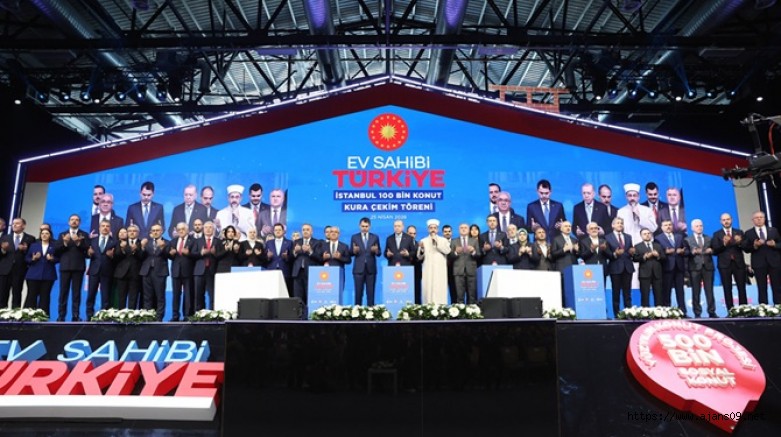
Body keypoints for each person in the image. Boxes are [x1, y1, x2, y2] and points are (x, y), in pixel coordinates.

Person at [55, 214, 90, 321]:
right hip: (65, 267)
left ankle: (75, 315)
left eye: (77, 220)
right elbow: (57, 251)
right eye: (72, 220)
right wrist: (65, 243)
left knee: (76, 293)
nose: (74, 221)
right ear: (68, 222)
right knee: (63, 292)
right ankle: (61, 316)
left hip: (78, 267)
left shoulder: (84, 234)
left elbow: (88, 251)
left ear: (80, 222)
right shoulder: (62, 234)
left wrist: (79, 243)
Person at [742, 210, 781, 304]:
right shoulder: (749, 233)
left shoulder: (773, 230)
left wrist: (774, 245)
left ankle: (778, 307)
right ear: (752, 220)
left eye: (761, 217)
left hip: (774, 262)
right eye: (756, 218)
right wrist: (755, 246)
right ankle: (764, 308)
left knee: (777, 286)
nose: (759, 219)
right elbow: (745, 248)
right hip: (759, 263)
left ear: (764, 219)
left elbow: (780, 244)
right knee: (761, 287)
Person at [711, 213, 747, 309]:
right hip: (724, 265)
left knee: (741, 287)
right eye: (724, 220)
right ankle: (730, 310)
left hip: (738, 263)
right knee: (727, 288)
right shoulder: (716, 234)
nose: (726, 221)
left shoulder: (739, 232)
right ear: (720, 221)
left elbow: (746, 247)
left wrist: (740, 242)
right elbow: (715, 250)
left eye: (728, 219)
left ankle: (744, 309)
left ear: (731, 220)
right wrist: (724, 244)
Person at [0, 217, 35, 308]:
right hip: (5, 271)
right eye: (13, 223)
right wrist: (3, 250)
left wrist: (25, 250)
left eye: (17, 223)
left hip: (19, 271)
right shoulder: (5, 237)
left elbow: (31, 255)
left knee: (17, 295)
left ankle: (15, 314)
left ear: (23, 226)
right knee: (2, 295)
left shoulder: (30, 239)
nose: (14, 225)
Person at [86, 219, 117, 320]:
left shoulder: (114, 241)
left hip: (107, 272)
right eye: (103, 226)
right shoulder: (92, 240)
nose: (105, 228)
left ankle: (104, 317)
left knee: (106, 296)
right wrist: (89, 253)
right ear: (99, 228)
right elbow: (87, 254)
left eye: (107, 226)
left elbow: (117, 257)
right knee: (91, 295)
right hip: (94, 271)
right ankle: (89, 316)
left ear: (110, 228)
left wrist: (112, 256)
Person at [24, 228, 58, 317]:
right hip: (33, 274)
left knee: (45, 297)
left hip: (48, 275)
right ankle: (28, 316)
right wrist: (33, 258)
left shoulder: (54, 246)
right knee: (31, 295)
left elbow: (59, 258)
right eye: (42, 233)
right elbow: (27, 258)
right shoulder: (34, 245)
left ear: (50, 235)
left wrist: (52, 259)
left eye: (47, 233)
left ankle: (43, 316)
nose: (44, 235)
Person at [685, 219, 716, 317]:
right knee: (696, 291)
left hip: (708, 267)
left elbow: (715, 250)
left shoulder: (709, 238)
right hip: (694, 268)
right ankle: (697, 313)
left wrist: (712, 250)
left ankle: (712, 312)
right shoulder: (687, 240)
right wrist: (692, 252)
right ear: (692, 228)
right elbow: (685, 253)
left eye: (701, 226)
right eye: (697, 226)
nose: (699, 228)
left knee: (709, 291)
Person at [417, 219, 452, 304]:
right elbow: (419, 257)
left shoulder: (443, 240)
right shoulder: (423, 240)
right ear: (428, 229)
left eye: (434, 228)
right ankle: (428, 307)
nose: (433, 230)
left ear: (437, 229)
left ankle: (441, 307)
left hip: (440, 270)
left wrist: (436, 243)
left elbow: (447, 251)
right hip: (428, 269)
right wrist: (422, 249)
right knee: (428, 288)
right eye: (431, 228)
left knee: (439, 288)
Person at [656, 219, 687, 314]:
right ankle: (667, 312)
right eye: (666, 225)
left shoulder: (679, 237)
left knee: (680, 291)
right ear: (662, 227)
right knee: (666, 291)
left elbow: (686, 250)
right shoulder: (658, 238)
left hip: (679, 267)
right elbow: (658, 253)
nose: (668, 227)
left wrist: (682, 251)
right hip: (667, 268)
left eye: (670, 225)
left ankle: (683, 312)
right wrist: (665, 252)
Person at [604, 217, 634, 316]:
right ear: (613, 225)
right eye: (617, 223)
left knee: (627, 293)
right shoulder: (607, 237)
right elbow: (606, 253)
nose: (620, 225)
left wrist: (632, 253)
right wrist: (615, 254)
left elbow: (630, 250)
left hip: (628, 267)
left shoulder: (628, 237)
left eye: (621, 223)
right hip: (615, 268)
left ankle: (629, 313)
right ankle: (617, 314)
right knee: (616, 292)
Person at [140, 223, 170, 321]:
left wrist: (162, 248)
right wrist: (142, 247)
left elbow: (169, 256)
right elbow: (140, 257)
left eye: (157, 230)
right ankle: (148, 316)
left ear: (161, 231)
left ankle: (159, 318)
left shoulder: (167, 242)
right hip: (147, 272)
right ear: (151, 232)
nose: (155, 232)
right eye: (153, 230)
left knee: (160, 296)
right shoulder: (146, 242)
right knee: (147, 296)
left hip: (160, 272)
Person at [168, 222, 196, 321]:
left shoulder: (193, 241)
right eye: (179, 229)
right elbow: (170, 256)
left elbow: (196, 255)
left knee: (188, 295)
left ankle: (187, 316)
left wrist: (189, 253)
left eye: (183, 229)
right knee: (176, 295)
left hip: (188, 271)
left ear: (187, 230)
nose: (181, 231)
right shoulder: (173, 241)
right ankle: (175, 316)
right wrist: (170, 254)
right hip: (176, 271)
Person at [350, 217, 381, 306]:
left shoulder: (375, 237)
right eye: (363, 226)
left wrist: (376, 251)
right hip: (358, 270)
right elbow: (350, 252)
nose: (364, 228)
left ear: (369, 226)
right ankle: (357, 312)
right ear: (359, 226)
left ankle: (371, 311)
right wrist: (354, 251)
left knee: (371, 293)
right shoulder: (354, 237)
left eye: (366, 226)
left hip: (371, 270)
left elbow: (379, 253)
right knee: (358, 293)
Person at [633, 228, 665, 307]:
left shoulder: (657, 245)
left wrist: (658, 255)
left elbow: (664, 257)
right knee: (645, 295)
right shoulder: (637, 246)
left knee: (659, 295)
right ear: (641, 236)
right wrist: (645, 256)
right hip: (644, 274)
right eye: (645, 234)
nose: (647, 235)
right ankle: (645, 311)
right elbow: (635, 258)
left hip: (657, 274)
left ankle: (659, 311)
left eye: (648, 233)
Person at [114, 225, 143, 309]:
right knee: (121, 298)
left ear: (138, 233)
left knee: (133, 298)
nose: (132, 232)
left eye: (134, 231)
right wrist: (123, 249)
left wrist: (135, 250)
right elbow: (116, 256)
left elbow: (142, 257)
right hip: (122, 274)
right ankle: (121, 315)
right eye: (130, 231)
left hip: (135, 275)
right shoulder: (120, 242)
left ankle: (132, 315)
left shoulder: (141, 243)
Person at [450, 223, 480, 303]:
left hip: (471, 270)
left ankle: (472, 310)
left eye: (465, 228)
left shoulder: (474, 241)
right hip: (458, 271)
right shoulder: (453, 241)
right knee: (459, 295)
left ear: (468, 230)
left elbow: (478, 255)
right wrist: (456, 252)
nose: (463, 229)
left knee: (472, 295)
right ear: (459, 230)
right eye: (461, 228)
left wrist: (473, 251)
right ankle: (461, 310)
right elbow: (450, 256)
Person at [193, 221, 219, 310]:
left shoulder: (218, 241)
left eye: (210, 227)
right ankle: (200, 314)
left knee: (213, 295)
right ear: (203, 229)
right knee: (198, 295)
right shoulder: (197, 241)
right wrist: (201, 253)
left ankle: (213, 314)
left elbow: (221, 256)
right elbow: (192, 254)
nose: (208, 229)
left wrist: (215, 253)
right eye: (206, 227)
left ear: (213, 229)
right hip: (199, 271)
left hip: (212, 271)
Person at [292, 223, 319, 303]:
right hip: (297, 272)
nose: (305, 231)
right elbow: (290, 257)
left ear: (312, 232)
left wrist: (310, 251)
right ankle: (298, 311)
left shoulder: (317, 242)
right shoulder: (296, 242)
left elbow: (319, 257)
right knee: (297, 296)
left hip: (310, 272)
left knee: (310, 295)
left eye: (307, 230)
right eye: (303, 230)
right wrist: (295, 252)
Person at [265, 223, 293, 296]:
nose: (277, 231)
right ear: (273, 231)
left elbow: (292, 258)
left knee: (285, 292)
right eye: (276, 230)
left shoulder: (289, 243)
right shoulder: (269, 243)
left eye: (279, 230)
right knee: (271, 292)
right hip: (271, 270)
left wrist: (286, 257)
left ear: (283, 231)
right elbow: (264, 258)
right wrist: (268, 256)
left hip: (285, 270)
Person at [407, 225, 422, 304]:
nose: (412, 235)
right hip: (406, 272)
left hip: (417, 271)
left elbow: (420, 257)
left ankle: (418, 308)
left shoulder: (418, 244)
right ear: (406, 233)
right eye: (410, 233)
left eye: (414, 233)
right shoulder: (402, 245)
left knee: (417, 292)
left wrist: (422, 250)